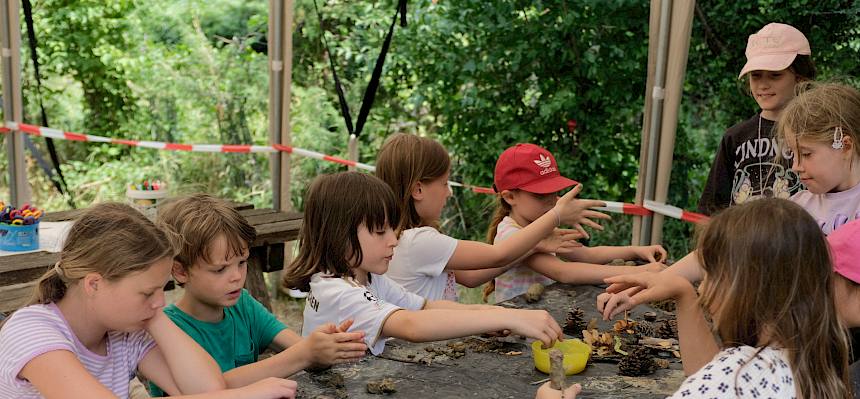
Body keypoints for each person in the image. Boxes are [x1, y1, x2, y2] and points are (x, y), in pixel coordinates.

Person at [600, 81, 860, 319]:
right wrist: (662, 278)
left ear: (845, 145)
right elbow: (728, 249)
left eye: (806, 154)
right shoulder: (800, 204)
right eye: (793, 155)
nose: (795, 167)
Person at [0, 203, 297, 399]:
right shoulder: (32, 331)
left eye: (162, 289)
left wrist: (155, 317)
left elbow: (206, 388)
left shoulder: (126, 332)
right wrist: (245, 394)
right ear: (94, 284)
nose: (160, 301)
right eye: (147, 292)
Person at [283, 172, 564, 355]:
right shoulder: (338, 292)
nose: (393, 240)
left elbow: (425, 306)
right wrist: (507, 317)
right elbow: (410, 325)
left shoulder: (367, 278)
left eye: (392, 229)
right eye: (380, 231)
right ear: (338, 234)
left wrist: (486, 316)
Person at [604, 198, 851, 398]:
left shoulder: (734, 377)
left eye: (710, 273)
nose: (702, 289)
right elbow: (706, 379)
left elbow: (715, 383)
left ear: (746, 287)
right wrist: (683, 293)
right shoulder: (817, 362)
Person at [148, 195, 367, 396]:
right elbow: (212, 390)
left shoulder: (242, 305)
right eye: (220, 269)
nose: (236, 276)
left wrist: (323, 348)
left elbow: (297, 349)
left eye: (242, 262)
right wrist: (305, 353)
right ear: (180, 271)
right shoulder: (167, 330)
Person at [375, 133, 610, 301]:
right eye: (444, 183)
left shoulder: (407, 239)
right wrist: (557, 215)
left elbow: (471, 278)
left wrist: (532, 246)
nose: (449, 191)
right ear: (417, 190)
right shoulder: (419, 241)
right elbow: (498, 255)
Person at [466, 143, 666, 303]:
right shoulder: (512, 235)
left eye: (554, 192)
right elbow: (564, 272)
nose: (553, 201)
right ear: (510, 197)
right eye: (541, 195)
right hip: (518, 327)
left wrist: (635, 251)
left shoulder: (543, 227)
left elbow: (586, 255)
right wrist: (639, 272)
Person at [698, 22, 815, 215]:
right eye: (756, 75)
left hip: (800, 241)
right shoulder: (735, 137)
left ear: (801, 78)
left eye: (775, 75)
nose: (763, 85)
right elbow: (712, 208)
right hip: (742, 242)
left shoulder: (818, 131)